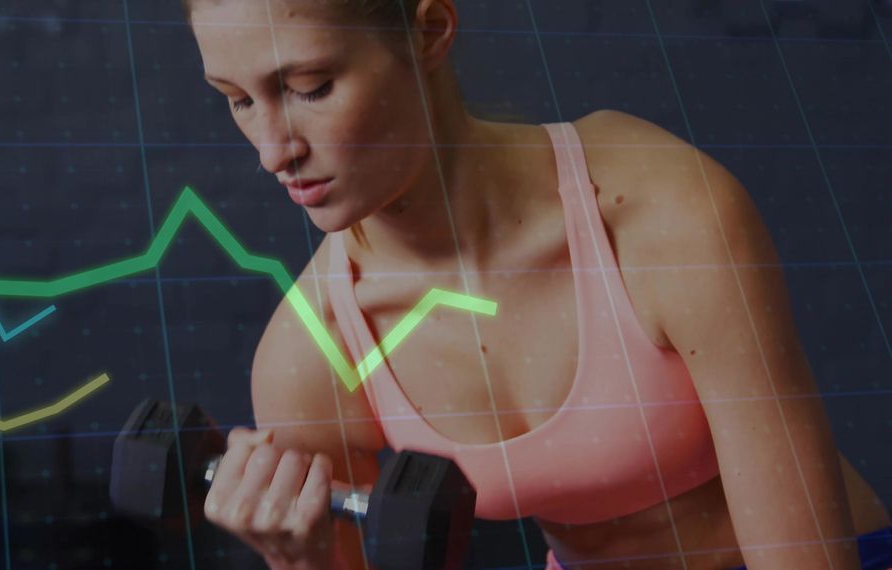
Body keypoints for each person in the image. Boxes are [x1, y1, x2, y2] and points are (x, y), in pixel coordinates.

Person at [183, 0, 892, 568]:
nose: (274, 150)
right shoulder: (312, 352)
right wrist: (300, 559)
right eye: (237, 100)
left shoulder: (657, 213)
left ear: (429, 31)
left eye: (308, 88)